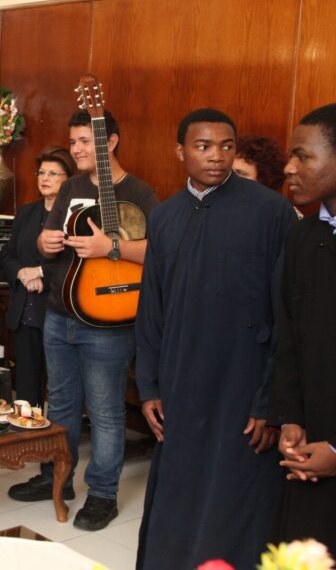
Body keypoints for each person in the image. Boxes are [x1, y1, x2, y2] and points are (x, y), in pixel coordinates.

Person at [134, 109, 295, 570]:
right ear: (180, 151)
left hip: (241, 383)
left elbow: (285, 315)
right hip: (181, 382)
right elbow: (152, 309)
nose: (217, 157)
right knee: (178, 495)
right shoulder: (165, 216)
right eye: (203, 146)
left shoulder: (270, 211)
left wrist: (268, 403)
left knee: (235, 500)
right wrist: (149, 387)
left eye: (226, 146)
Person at [9, 109, 159, 532]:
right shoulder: (71, 187)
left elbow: (159, 251)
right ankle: (56, 478)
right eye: (72, 141)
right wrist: (45, 241)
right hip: (59, 315)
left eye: (85, 141)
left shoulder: (140, 192)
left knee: (106, 411)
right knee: (60, 404)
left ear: (110, 142)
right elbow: (46, 245)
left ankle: (103, 495)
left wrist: (110, 247)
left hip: (109, 321)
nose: (76, 149)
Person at [269, 103, 336, 551]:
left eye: (303, 156)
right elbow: (289, 338)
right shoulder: (303, 236)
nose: (289, 167)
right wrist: (291, 418)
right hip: (308, 447)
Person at [0, 145, 75, 406]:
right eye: (41, 173)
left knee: (58, 389)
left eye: (53, 173)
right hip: (25, 311)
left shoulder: (74, 216)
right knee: (26, 389)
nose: (45, 178)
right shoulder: (26, 212)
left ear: (69, 180)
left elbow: (75, 262)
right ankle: (25, 430)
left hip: (57, 312)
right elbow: (7, 255)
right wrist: (23, 273)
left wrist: (41, 272)